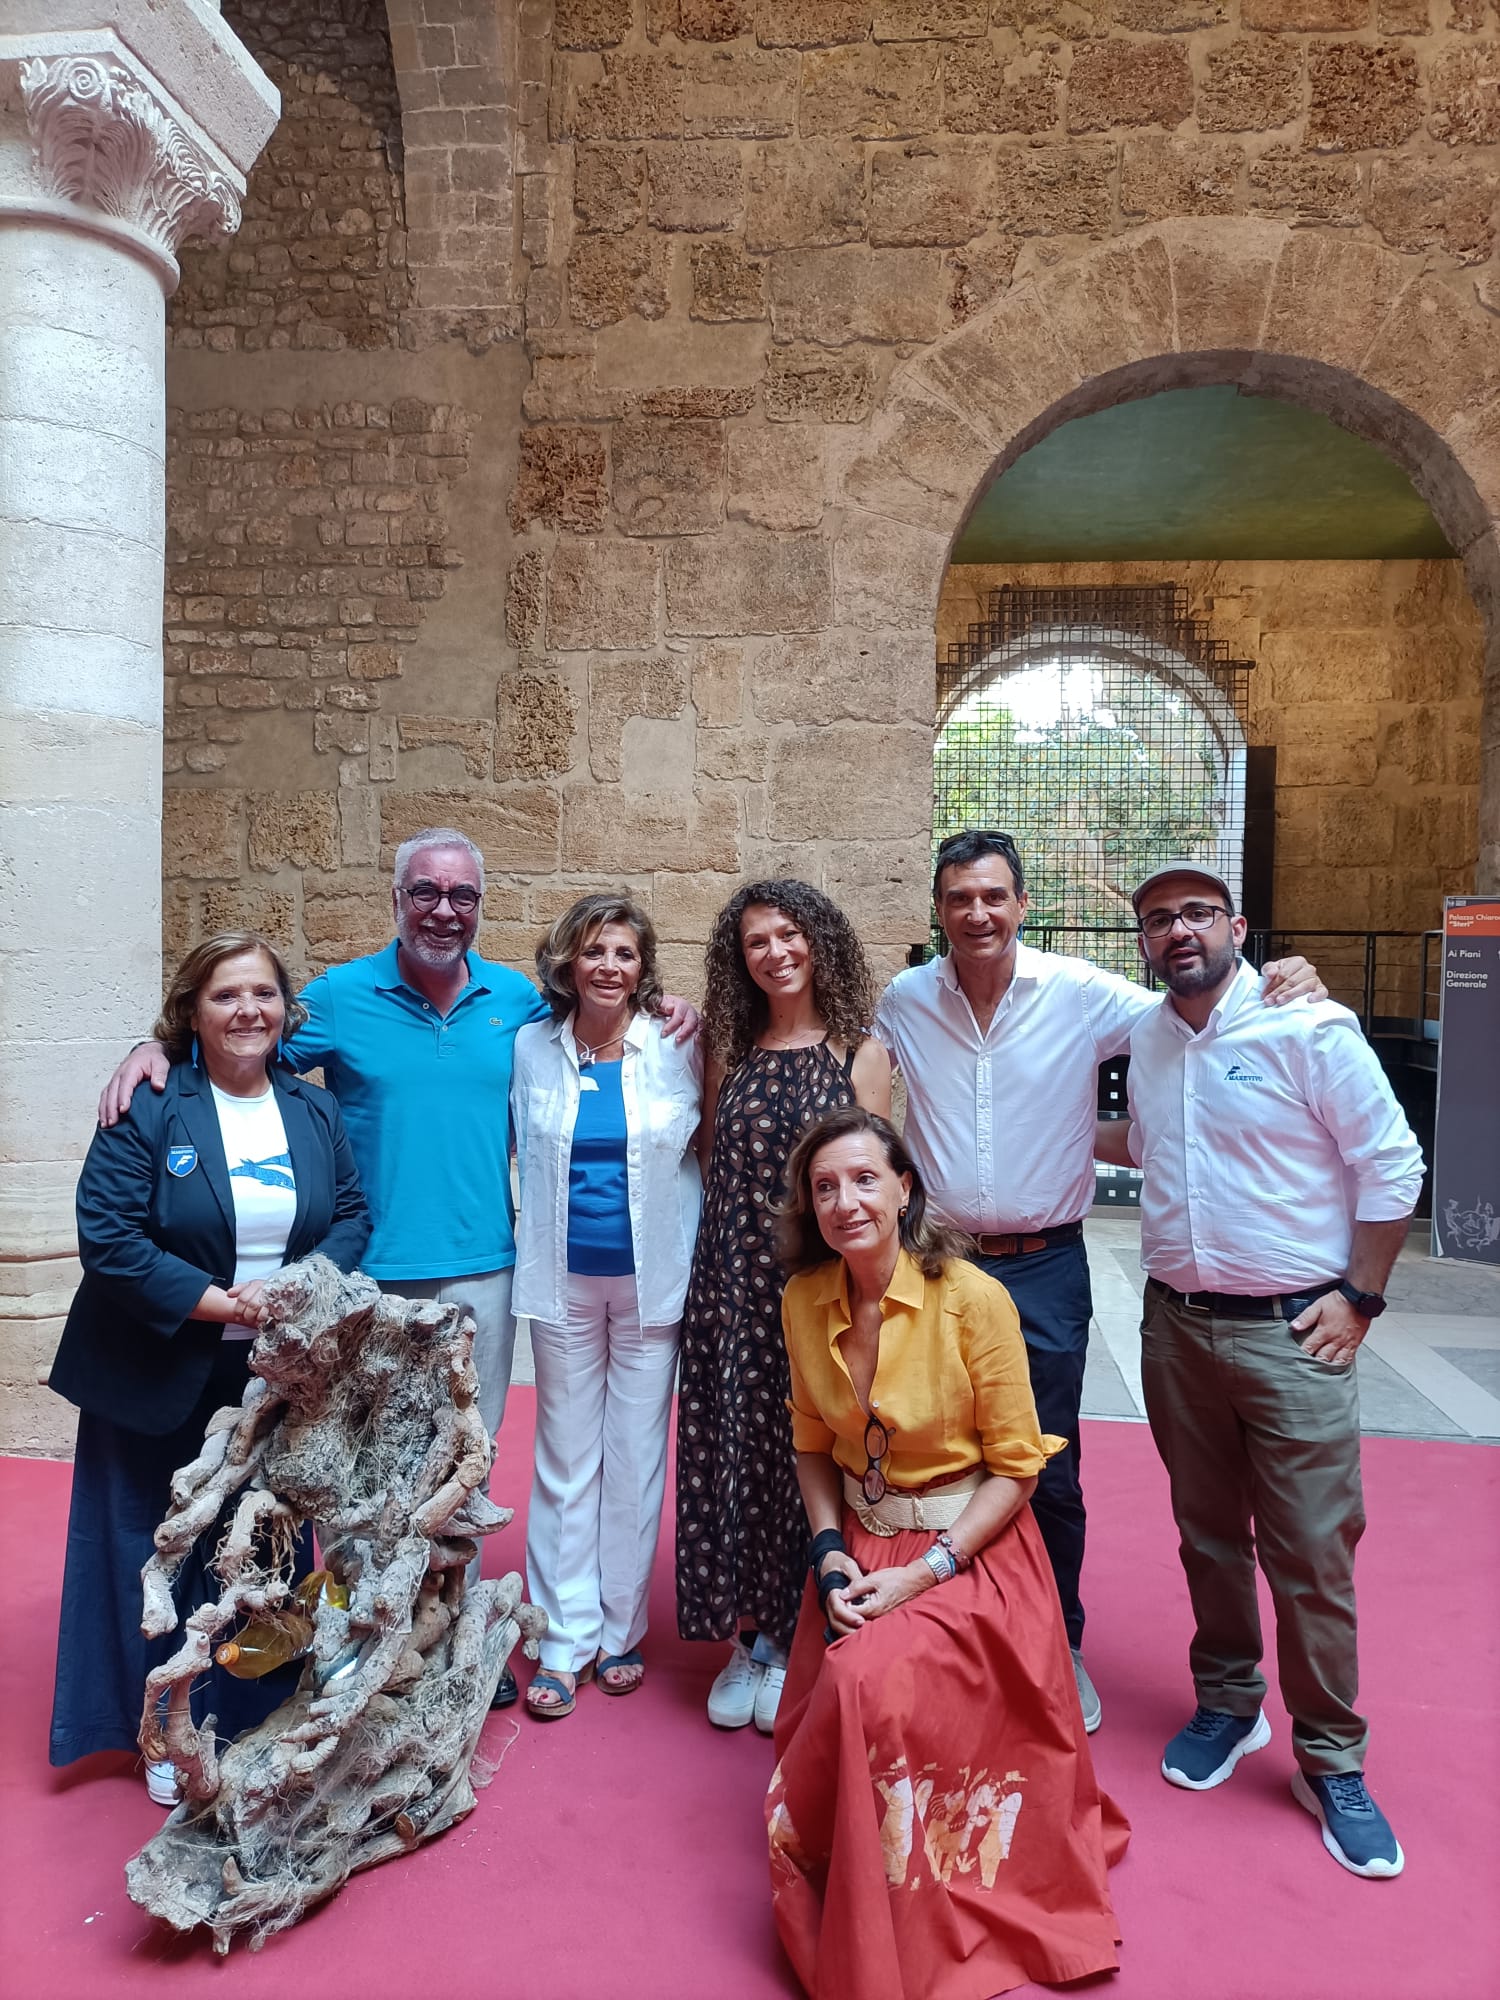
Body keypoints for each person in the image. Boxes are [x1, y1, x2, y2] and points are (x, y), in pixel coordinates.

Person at [98, 828, 697, 1707]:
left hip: (484, 1269)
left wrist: (669, 1006)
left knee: (461, 1471)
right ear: (398, 899)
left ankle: (450, 1640)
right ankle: (354, 1647)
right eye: (426, 892)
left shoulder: (518, 1005)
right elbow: (243, 1041)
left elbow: (604, 1018)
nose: (443, 910)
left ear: (480, 906)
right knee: (356, 1473)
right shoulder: (340, 998)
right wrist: (155, 1050)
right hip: (367, 1277)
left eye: (461, 895)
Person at [873, 828, 1325, 1735]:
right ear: (940, 908)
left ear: (1022, 903)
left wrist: (1282, 976)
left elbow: (1195, 1010)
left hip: (1044, 1267)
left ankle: (1057, 1641)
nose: (977, 913)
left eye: (993, 896)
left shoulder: (1080, 992)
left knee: (1045, 1461)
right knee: (934, 1450)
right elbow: (857, 1070)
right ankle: (951, 1632)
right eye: (959, 898)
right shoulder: (906, 1000)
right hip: (939, 1261)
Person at [1096, 860, 1423, 1879]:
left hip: (1294, 1333)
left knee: (1312, 1551)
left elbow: (1391, 1163)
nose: (1179, 931)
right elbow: (1149, 1145)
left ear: (1237, 928)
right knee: (1206, 1533)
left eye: (1198, 912)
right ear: (1144, 942)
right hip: (1177, 1327)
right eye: (1159, 918)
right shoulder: (1148, 1039)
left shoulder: (1307, 1025)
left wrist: (1360, 1297)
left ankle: (1331, 1758)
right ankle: (1230, 1703)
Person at [766, 1107, 1127, 2000]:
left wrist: (925, 1573)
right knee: (853, 1687)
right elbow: (811, 1445)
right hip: (859, 1543)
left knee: (861, 1683)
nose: (846, 1202)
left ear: (904, 1190)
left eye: (864, 1180)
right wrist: (828, 1553)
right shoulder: (804, 1300)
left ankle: (894, 1911)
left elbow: (1018, 1470)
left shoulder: (972, 1297)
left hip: (970, 1550)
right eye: (824, 1187)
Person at [49, 932, 369, 1801]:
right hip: (152, 1367)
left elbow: (349, 1215)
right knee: (153, 1549)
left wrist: (296, 1288)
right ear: (192, 1010)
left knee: (261, 1551)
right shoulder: (151, 1102)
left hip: (272, 1373)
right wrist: (224, 1303)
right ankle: (161, 1732)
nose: (248, 1011)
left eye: (264, 994)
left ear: (286, 1009)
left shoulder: (313, 1109)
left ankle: (254, 1713)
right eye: (226, 995)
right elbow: (108, 1237)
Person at [676, 881, 891, 1736]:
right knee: (736, 1453)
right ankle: (747, 1635)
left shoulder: (859, 1055)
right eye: (756, 941)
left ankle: (794, 1635)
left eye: (789, 934)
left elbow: (875, 1184)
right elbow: (710, 1156)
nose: (775, 952)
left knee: (807, 1452)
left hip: (817, 1287)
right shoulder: (728, 1049)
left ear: (819, 941)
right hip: (730, 1286)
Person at [511, 894, 702, 1719]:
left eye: (624, 953)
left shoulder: (678, 1044)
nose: (609, 967)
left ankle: (619, 1630)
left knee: (634, 1458)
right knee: (565, 1459)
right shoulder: (530, 1047)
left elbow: (707, 1147)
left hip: (651, 1284)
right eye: (593, 951)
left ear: (643, 965)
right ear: (568, 962)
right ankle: (562, 1639)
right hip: (562, 1282)